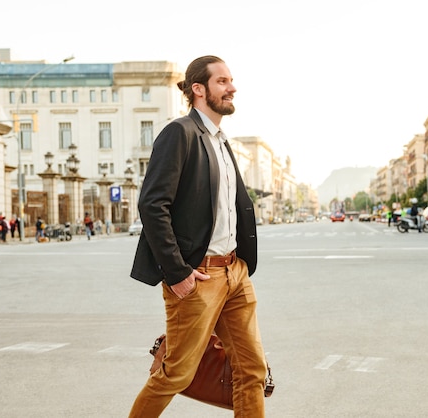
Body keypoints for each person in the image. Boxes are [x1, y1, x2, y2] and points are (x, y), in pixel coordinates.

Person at [129, 55, 266, 417]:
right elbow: (153, 204)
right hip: (198, 275)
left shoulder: (221, 141)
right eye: (222, 81)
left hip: (233, 271)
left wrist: (240, 263)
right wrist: (177, 272)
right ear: (198, 89)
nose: (232, 87)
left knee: (252, 371)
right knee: (175, 374)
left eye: (231, 80)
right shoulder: (181, 133)